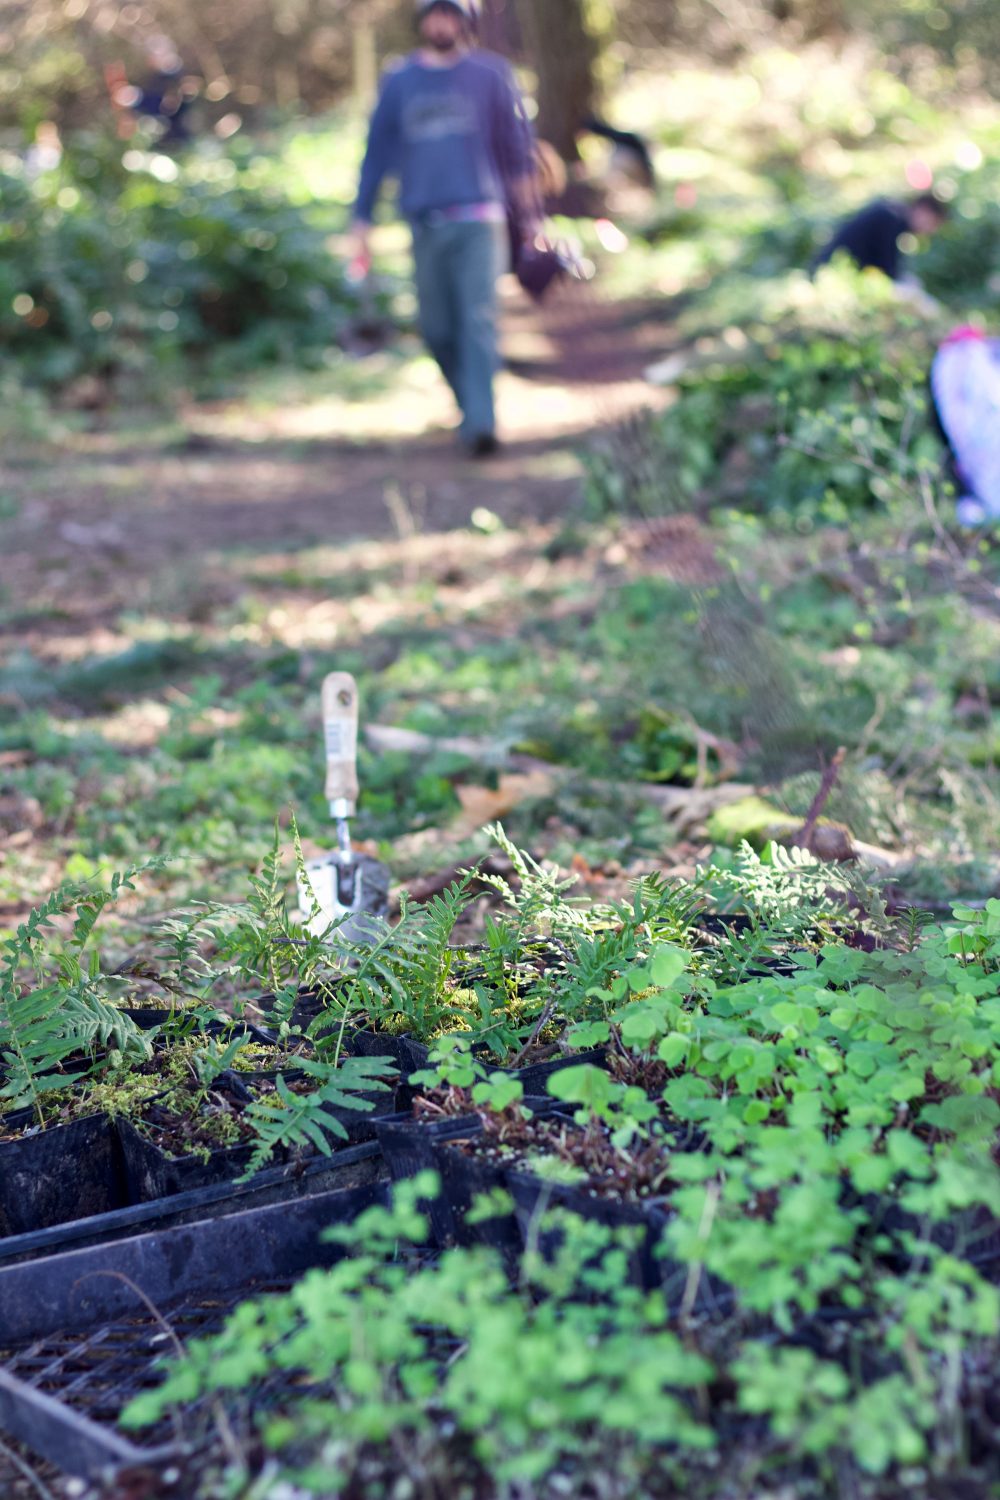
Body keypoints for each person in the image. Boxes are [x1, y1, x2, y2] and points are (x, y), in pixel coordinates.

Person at [351, 0, 538, 456]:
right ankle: (468, 407)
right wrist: (361, 218)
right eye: (433, 15)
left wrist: (532, 219)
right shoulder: (400, 81)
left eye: (450, 15)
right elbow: (376, 153)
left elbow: (517, 152)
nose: (441, 24)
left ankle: (481, 424)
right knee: (436, 328)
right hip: (425, 221)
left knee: (477, 319)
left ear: (464, 21)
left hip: (480, 218)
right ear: (421, 22)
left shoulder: (490, 75)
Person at [811, 191, 948, 298]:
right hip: (833, 275)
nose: (930, 231)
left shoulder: (894, 216)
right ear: (923, 211)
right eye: (933, 224)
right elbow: (887, 268)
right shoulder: (891, 218)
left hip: (839, 273)